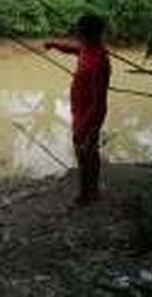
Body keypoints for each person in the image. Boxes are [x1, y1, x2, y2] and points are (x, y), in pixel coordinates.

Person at [44, 14, 111, 206]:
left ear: (85, 33)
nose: (75, 32)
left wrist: (83, 127)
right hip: (80, 110)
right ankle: (94, 190)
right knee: (90, 151)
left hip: (89, 115)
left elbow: (99, 103)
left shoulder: (99, 62)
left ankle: (85, 195)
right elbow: (74, 49)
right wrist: (55, 45)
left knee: (83, 154)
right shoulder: (88, 48)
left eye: (78, 30)